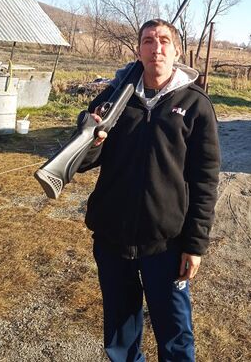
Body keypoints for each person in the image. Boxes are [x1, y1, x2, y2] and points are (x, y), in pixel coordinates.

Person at [78, 19, 221, 362]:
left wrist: (195, 244)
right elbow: (82, 162)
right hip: (112, 238)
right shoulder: (114, 98)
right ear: (138, 51)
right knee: (120, 335)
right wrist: (91, 139)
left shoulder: (196, 104)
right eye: (148, 41)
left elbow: (205, 179)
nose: (156, 48)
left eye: (164, 41)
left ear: (177, 52)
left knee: (175, 336)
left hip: (166, 244)